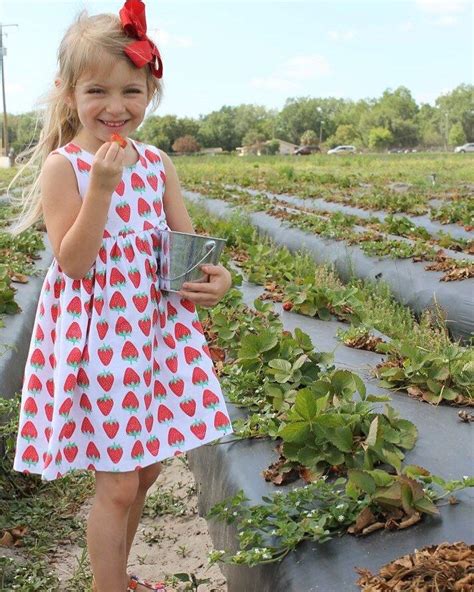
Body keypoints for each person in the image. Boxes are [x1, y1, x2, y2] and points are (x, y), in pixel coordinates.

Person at [9, 1, 233, 591]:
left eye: (132, 91)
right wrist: (102, 188)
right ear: (68, 93)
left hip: (154, 337)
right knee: (117, 484)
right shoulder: (68, 168)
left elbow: (186, 246)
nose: (115, 107)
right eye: (97, 91)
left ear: (151, 92)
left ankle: (120, 576)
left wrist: (216, 280)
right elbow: (75, 262)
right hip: (100, 342)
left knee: (150, 466)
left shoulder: (157, 164)